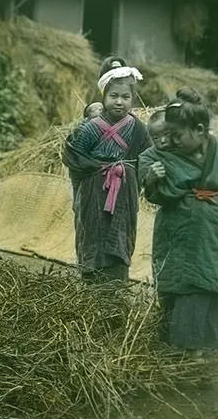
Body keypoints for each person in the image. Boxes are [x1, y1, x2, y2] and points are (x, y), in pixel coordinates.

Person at [140, 88, 218, 354]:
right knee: (175, 279)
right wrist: (152, 179)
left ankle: (205, 346)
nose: (170, 141)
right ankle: (173, 343)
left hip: (209, 228)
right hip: (173, 229)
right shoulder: (162, 154)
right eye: (167, 135)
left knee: (204, 281)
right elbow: (150, 185)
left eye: (177, 135)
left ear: (200, 130)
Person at [63, 61, 150, 283]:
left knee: (121, 236)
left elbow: (147, 158)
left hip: (123, 194)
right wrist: (79, 192)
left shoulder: (138, 129)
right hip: (94, 193)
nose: (119, 102)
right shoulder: (91, 128)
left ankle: (117, 285)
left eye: (125, 97)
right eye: (113, 96)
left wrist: (140, 179)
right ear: (103, 97)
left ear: (133, 99)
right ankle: (92, 285)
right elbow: (75, 158)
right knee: (93, 233)